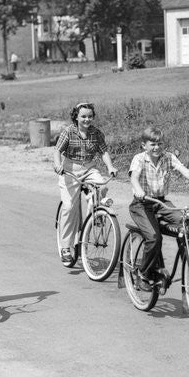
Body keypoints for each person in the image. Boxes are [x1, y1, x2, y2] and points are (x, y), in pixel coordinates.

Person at [129, 124, 189, 290]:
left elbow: (185, 170)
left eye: (160, 143)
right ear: (144, 146)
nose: (156, 147)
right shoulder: (139, 159)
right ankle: (143, 275)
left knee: (188, 223)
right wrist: (138, 190)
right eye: (152, 144)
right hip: (142, 203)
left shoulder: (168, 157)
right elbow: (134, 177)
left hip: (161, 203)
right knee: (154, 238)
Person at [53, 102, 117, 263]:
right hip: (70, 169)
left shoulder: (96, 133)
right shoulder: (68, 132)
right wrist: (57, 165)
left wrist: (110, 167)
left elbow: (104, 152)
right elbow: (57, 151)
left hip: (89, 168)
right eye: (83, 116)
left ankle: (95, 215)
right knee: (69, 207)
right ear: (76, 116)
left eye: (89, 116)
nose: (87, 119)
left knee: (102, 185)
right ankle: (66, 247)